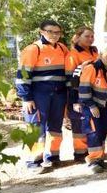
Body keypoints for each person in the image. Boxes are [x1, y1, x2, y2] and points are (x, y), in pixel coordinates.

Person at [15, 20, 68, 173]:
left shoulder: (62, 48)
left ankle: (52, 157)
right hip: (39, 95)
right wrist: (26, 97)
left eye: (57, 32)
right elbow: (22, 75)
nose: (54, 35)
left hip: (58, 94)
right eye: (51, 31)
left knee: (55, 127)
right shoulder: (33, 49)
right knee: (36, 127)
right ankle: (34, 161)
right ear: (42, 32)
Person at [78, 46, 107, 174]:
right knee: (93, 132)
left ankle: (100, 158)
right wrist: (91, 105)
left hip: (106, 107)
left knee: (102, 132)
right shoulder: (92, 68)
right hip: (92, 107)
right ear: (100, 55)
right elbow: (84, 89)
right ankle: (93, 161)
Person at [66, 26, 98, 163]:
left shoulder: (95, 51)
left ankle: (91, 151)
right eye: (87, 36)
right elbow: (70, 80)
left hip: (93, 93)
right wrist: (74, 101)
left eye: (92, 36)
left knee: (90, 123)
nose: (90, 39)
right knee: (79, 125)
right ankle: (80, 154)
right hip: (78, 95)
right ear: (78, 37)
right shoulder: (73, 55)